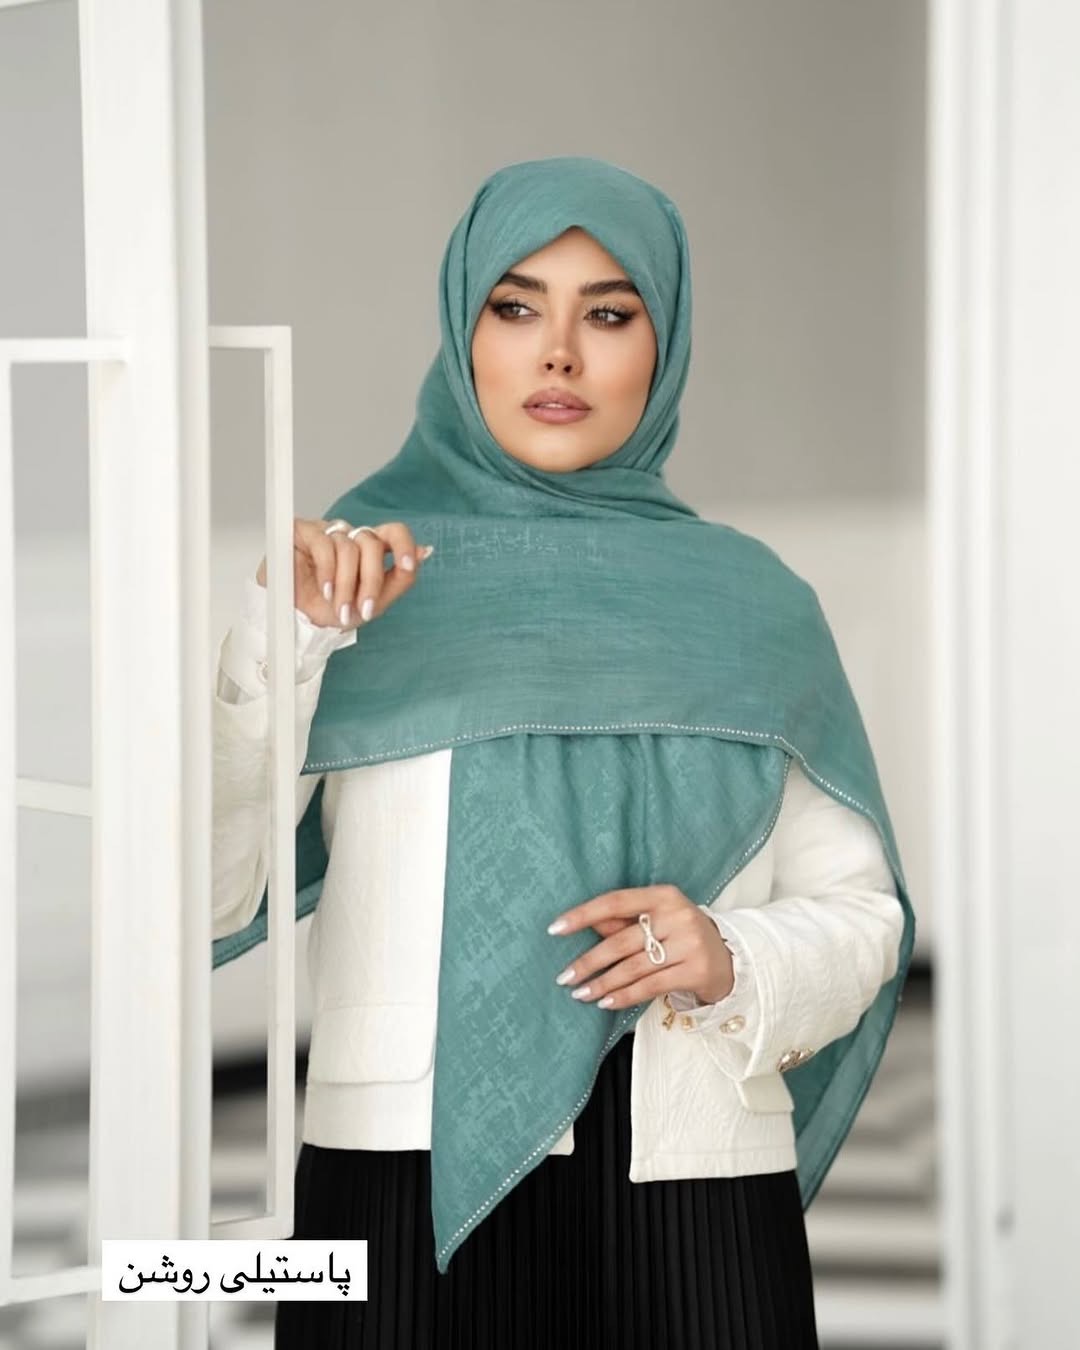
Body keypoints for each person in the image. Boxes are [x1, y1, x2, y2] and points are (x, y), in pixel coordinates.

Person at [211, 156, 914, 1349]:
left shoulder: (754, 605)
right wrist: (281, 646)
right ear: (463, 331)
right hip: (396, 1176)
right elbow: (207, 890)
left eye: (609, 314)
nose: (558, 355)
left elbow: (865, 918)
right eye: (515, 306)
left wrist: (731, 955)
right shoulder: (352, 585)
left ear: (664, 343)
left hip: (692, 1176)